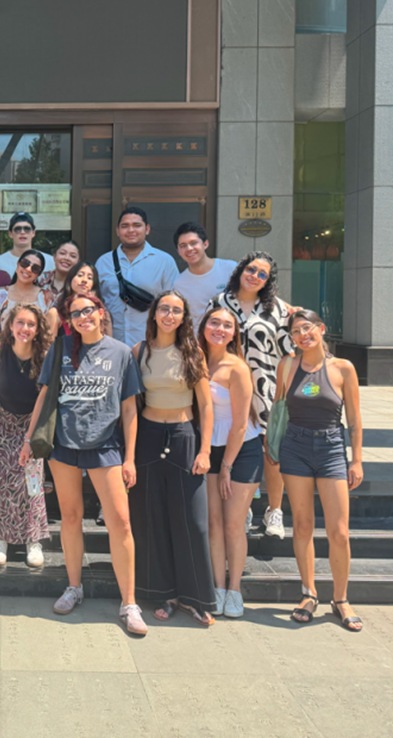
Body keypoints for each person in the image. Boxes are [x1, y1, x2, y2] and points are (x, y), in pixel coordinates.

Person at [21, 293, 147, 636]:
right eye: (74, 313)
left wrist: (130, 458)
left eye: (88, 310)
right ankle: (74, 586)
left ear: (100, 312)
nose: (82, 317)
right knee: (71, 516)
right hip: (64, 444)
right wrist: (29, 439)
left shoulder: (121, 353)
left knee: (121, 522)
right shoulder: (60, 348)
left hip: (106, 446)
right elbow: (44, 395)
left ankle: (129, 602)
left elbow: (130, 409)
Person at [129, 290, 215, 625]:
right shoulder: (140, 351)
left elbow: (205, 405)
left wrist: (205, 450)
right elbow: (131, 405)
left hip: (183, 438)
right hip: (148, 438)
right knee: (152, 518)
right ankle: (164, 592)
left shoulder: (193, 352)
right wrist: (129, 455)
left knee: (192, 521)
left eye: (176, 310)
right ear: (154, 314)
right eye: (164, 309)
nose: (169, 315)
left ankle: (195, 597)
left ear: (183, 317)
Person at [275, 309, 364, 631]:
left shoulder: (343, 368)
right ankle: (309, 593)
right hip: (295, 447)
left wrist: (356, 460)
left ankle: (340, 599)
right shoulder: (287, 365)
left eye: (307, 328)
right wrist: (273, 446)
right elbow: (278, 410)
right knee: (302, 525)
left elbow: (353, 418)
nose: (302, 335)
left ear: (321, 329)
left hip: (330, 448)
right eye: (295, 331)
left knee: (339, 531)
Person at [209, 251, 295, 540]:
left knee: (271, 452)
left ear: (268, 280)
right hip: (228, 389)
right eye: (251, 269)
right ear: (240, 270)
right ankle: (242, 507)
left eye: (262, 274)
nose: (255, 276)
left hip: (267, 388)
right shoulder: (219, 302)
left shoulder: (278, 309)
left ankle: (274, 509)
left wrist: (287, 391)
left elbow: (289, 351)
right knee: (236, 446)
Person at [199, 305, 262, 619]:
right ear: (204, 326)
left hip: (241, 451)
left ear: (234, 333)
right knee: (214, 523)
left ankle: (235, 589)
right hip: (208, 449)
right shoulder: (196, 360)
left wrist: (226, 467)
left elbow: (239, 424)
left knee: (233, 523)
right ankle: (218, 586)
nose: (219, 329)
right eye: (214, 323)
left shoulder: (237, 367)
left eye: (227, 325)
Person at [0, 304, 52, 568]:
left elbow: (45, 399)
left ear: (38, 329)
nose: (25, 328)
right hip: (2, 421)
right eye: (20, 322)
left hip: (32, 424)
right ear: (10, 325)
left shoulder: (44, 355)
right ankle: (1, 538)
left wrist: (29, 439)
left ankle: (33, 540)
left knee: (32, 480)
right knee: (1, 478)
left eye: (31, 324)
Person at [96, 207, 179, 346]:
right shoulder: (103, 262)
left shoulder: (164, 261)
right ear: (118, 231)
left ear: (147, 229)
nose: (131, 230)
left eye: (137, 225)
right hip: (111, 345)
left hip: (151, 345)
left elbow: (173, 304)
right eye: (125, 226)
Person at [0, 249, 57, 342]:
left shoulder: (46, 297)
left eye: (35, 268)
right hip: (4, 348)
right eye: (25, 263)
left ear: (38, 274)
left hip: (36, 349)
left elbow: (48, 334)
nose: (28, 269)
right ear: (17, 265)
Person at [172, 222, 237, 323]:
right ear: (179, 252)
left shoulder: (230, 268)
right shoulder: (179, 284)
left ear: (205, 244)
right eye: (183, 245)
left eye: (193, 243)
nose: (189, 248)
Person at [55, 261, 112, 338]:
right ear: (70, 279)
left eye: (90, 278)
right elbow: (48, 344)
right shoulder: (56, 313)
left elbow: (109, 343)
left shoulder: (103, 313)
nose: (84, 280)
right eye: (80, 275)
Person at [0, 212, 52, 277]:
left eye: (27, 229)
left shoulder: (49, 261)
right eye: (18, 229)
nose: (22, 232)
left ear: (33, 233)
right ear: (10, 234)